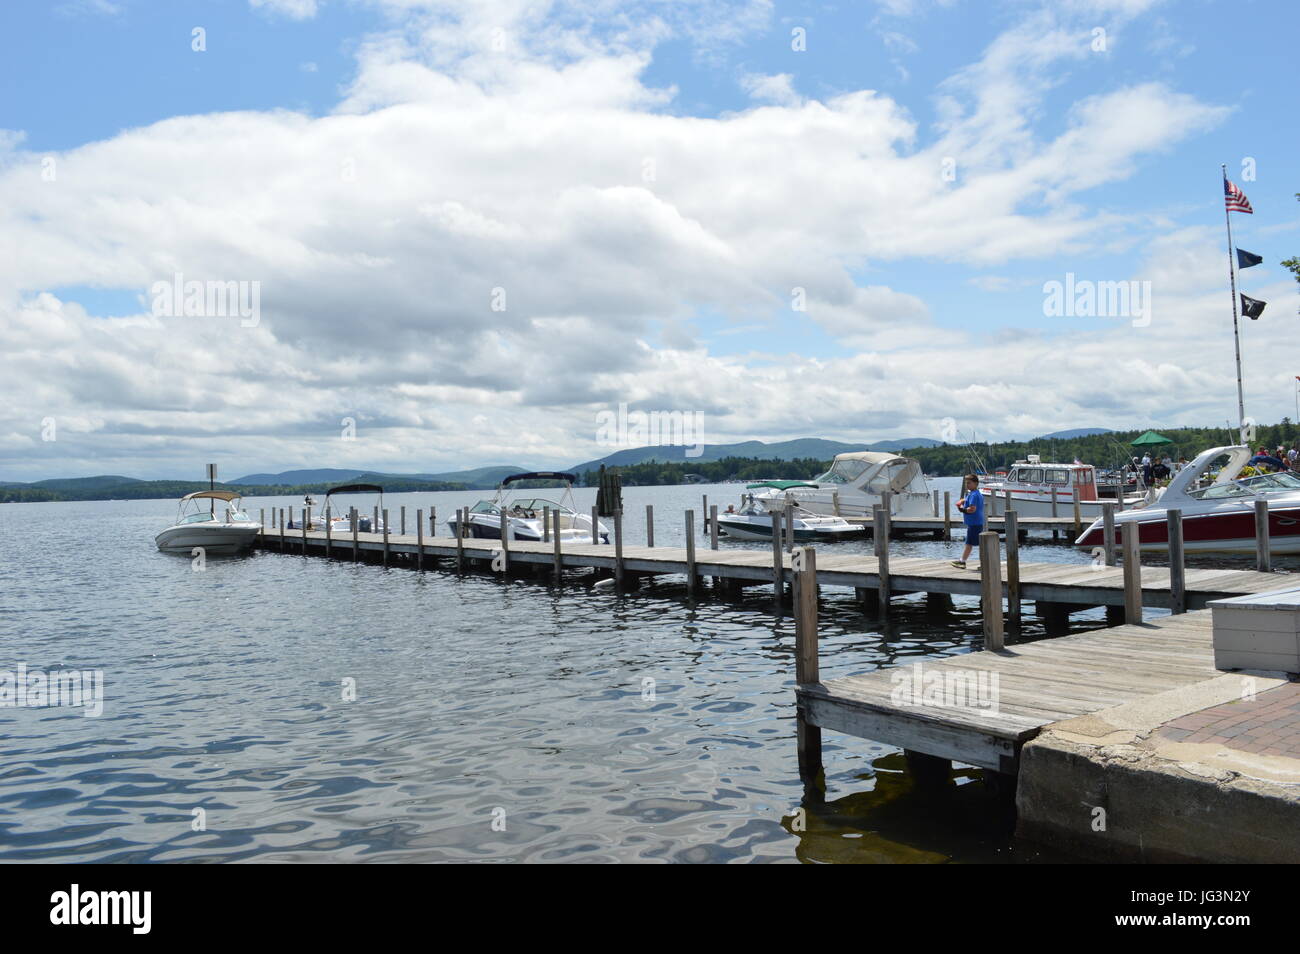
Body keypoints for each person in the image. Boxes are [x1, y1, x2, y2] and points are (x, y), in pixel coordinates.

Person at [950, 474, 985, 569]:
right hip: (977, 522)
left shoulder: (973, 495)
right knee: (979, 544)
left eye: (969, 483)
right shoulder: (976, 493)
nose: (967, 485)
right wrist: (963, 501)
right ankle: (984, 564)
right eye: (966, 483)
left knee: (969, 544)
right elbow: (969, 501)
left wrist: (962, 509)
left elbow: (972, 509)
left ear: (976, 483)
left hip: (974, 523)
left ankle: (962, 562)